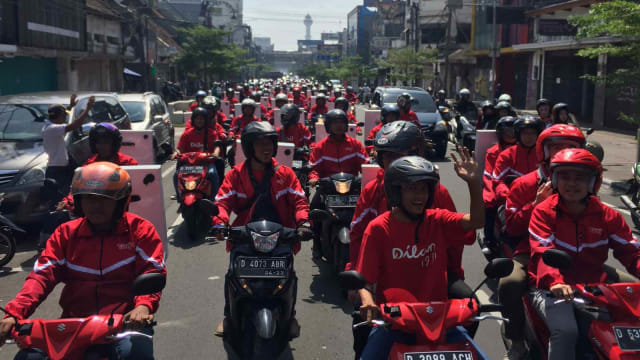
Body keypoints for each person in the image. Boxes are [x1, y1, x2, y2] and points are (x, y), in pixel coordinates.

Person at [0, 162, 166, 360]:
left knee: (137, 354)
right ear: (79, 202)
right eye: (88, 199)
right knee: (27, 358)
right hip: (73, 323)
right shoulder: (65, 234)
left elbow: (151, 271)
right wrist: (14, 313)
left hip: (124, 323)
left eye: (103, 200)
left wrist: (143, 307)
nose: (95, 206)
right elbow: (41, 276)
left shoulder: (140, 230)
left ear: (121, 201)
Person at [356, 152, 486, 360]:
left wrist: (473, 183)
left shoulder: (437, 219)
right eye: (412, 189)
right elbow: (365, 282)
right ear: (397, 192)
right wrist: (368, 302)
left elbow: (477, 221)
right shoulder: (378, 228)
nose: (419, 196)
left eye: (424, 189)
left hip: (441, 321)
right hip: (395, 325)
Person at [529, 148, 640, 360]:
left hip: (596, 288)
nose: (572, 183)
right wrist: (555, 282)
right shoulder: (543, 211)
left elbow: (632, 252)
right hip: (552, 288)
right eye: (565, 176)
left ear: (593, 182)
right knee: (566, 331)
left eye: (580, 178)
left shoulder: (609, 216)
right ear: (554, 179)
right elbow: (543, 250)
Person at [212, 121, 311, 336]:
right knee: (232, 275)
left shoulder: (285, 174)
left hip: (282, 236)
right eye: (260, 144)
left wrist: (303, 223)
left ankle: (290, 314)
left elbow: (300, 201)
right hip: (244, 237)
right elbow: (222, 202)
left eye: (269, 143)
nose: (266, 148)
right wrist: (220, 223)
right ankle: (229, 314)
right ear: (249, 148)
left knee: (289, 276)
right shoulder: (235, 175)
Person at [498, 124, 586, 360]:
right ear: (543, 152)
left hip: (577, 255)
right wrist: (535, 205)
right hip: (531, 251)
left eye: (569, 147)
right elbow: (513, 227)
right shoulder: (524, 184)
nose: (561, 152)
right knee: (509, 283)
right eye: (556, 147)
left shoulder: (583, 182)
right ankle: (516, 340)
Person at [308, 109, 368, 258]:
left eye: (342, 122)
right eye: (335, 123)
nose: (339, 126)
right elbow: (314, 168)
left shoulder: (355, 144)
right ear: (328, 126)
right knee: (314, 208)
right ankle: (316, 241)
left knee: (369, 210)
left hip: (352, 188)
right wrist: (314, 178)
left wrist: (370, 174)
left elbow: (366, 163)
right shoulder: (321, 146)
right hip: (328, 187)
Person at [42, 95, 95, 202]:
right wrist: (87, 109)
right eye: (64, 116)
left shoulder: (49, 126)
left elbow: (62, 115)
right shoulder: (53, 129)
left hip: (61, 166)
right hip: (57, 169)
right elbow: (74, 125)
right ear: (59, 116)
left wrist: (70, 106)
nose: (65, 118)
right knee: (61, 196)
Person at [481, 116, 516, 251]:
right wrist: (498, 192)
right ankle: (488, 238)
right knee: (491, 203)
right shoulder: (493, 152)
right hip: (496, 185)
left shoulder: (521, 150)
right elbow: (490, 175)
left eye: (513, 131)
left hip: (516, 187)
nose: (511, 135)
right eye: (507, 132)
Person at [492, 116, 544, 205]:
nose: (529, 137)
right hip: (512, 202)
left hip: (541, 201)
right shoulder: (506, 155)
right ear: (518, 135)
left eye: (533, 133)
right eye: (525, 133)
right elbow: (498, 182)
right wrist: (510, 196)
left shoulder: (544, 155)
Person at [172, 107, 222, 199]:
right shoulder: (187, 134)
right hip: (189, 164)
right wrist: (176, 153)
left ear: (206, 121)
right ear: (193, 120)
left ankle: (214, 199)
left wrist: (215, 153)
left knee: (213, 174)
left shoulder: (212, 133)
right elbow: (180, 148)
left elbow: (217, 146)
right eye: (197, 118)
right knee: (176, 175)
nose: (199, 121)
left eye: (202, 119)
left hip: (206, 162)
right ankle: (180, 197)